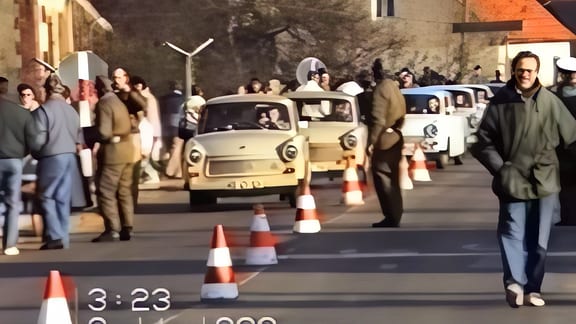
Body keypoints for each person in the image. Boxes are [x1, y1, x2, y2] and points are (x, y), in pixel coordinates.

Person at [471, 51, 576, 308]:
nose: (525, 74)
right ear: (513, 71)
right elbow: (482, 142)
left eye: (529, 69)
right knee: (511, 233)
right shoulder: (500, 103)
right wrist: (501, 168)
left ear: (537, 72)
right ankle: (514, 283)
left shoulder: (551, 102)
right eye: (520, 69)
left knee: (538, 241)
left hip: (545, 180)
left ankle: (533, 289)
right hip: (512, 180)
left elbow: (572, 138)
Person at [29, 74, 83, 250]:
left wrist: (34, 152)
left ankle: (54, 235)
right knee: (62, 197)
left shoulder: (43, 111)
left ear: (46, 90)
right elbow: (78, 136)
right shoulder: (72, 111)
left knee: (47, 196)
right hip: (70, 156)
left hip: (51, 156)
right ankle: (63, 234)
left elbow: (37, 140)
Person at [91, 76, 135, 242]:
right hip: (127, 150)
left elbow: (104, 132)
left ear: (100, 89)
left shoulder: (104, 104)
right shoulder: (118, 102)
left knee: (106, 190)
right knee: (124, 191)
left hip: (112, 153)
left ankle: (112, 228)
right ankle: (127, 226)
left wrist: (91, 134)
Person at [368, 60, 406, 228]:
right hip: (396, 135)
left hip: (384, 138)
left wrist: (372, 142)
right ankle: (395, 213)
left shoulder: (380, 89)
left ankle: (391, 215)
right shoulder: (393, 87)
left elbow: (378, 118)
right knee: (393, 179)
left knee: (383, 179)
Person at [0, 97, 36, 255]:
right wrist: (22, 154)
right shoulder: (21, 113)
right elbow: (32, 140)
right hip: (15, 160)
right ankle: (10, 244)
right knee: (12, 202)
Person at [112, 68, 147, 205]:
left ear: (126, 78)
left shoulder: (131, 94)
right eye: (114, 78)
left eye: (119, 78)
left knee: (132, 171)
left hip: (132, 136)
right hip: (115, 137)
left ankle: (132, 200)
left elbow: (144, 105)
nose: (116, 81)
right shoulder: (112, 94)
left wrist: (130, 92)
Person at [550, 57, 576, 226]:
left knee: (566, 184)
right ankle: (568, 216)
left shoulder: (552, 95)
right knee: (566, 184)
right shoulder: (551, 95)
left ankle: (569, 217)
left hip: (562, 147)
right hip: (562, 147)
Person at [131, 76, 161, 185]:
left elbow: (149, 116)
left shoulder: (143, 97)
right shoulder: (149, 96)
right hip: (151, 129)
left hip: (147, 129)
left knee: (144, 155)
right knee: (145, 155)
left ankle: (151, 175)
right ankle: (149, 175)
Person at [159, 80, 185, 178]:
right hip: (178, 127)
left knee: (172, 149)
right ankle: (169, 170)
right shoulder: (183, 99)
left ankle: (178, 173)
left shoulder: (163, 99)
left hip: (165, 127)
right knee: (177, 148)